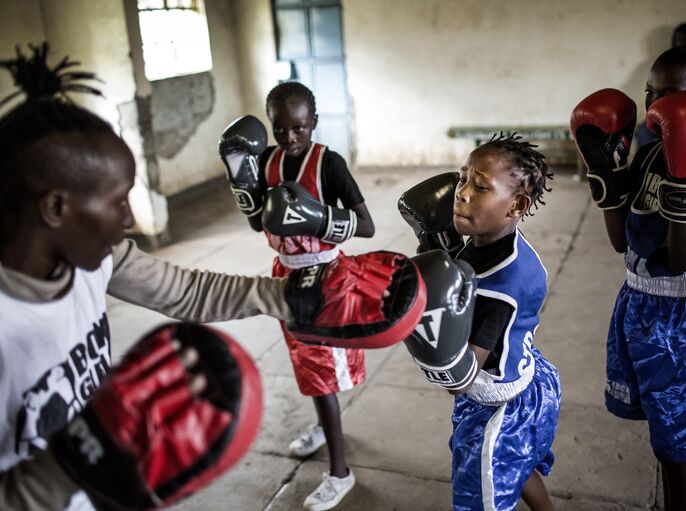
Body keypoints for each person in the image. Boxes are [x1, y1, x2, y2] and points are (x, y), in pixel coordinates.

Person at [0, 44, 418, 511]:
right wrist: (58, 475)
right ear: (56, 207)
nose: (125, 220)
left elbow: (187, 291)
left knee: (322, 379)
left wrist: (294, 294)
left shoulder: (102, 258)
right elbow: (261, 221)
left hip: (101, 497)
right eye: (117, 202)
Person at [571, 45, 686, 511]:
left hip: (681, 314)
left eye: (671, 96)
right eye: (651, 93)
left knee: (679, 448)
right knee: (657, 432)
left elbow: (684, 258)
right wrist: (603, 172)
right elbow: (619, 242)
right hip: (635, 299)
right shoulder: (646, 148)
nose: (655, 107)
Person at [399, 134, 561, 510]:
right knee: (520, 468)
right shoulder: (494, 240)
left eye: (481, 186)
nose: (462, 193)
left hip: (496, 408)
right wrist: (437, 247)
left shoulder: (500, 290)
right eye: (462, 178)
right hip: (530, 378)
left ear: (516, 204)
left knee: (481, 494)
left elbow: (462, 377)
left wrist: (420, 322)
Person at [243, 81, 375, 511]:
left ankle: (341, 473)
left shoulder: (328, 164)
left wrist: (318, 218)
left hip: (324, 276)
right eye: (280, 129)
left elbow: (367, 225)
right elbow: (257, 223)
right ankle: (324, 427)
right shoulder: (267, 161)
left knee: (321, 373)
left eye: (299, 128)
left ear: (313, 122)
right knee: (305, 365)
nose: (290, 138)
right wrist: (240, 184)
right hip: (285, 273)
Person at [636, 22, 686, 148]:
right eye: (679, 39)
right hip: (667, 114)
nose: (683, 43)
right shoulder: (666, 64)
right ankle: (649, 165)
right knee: (644, 131)